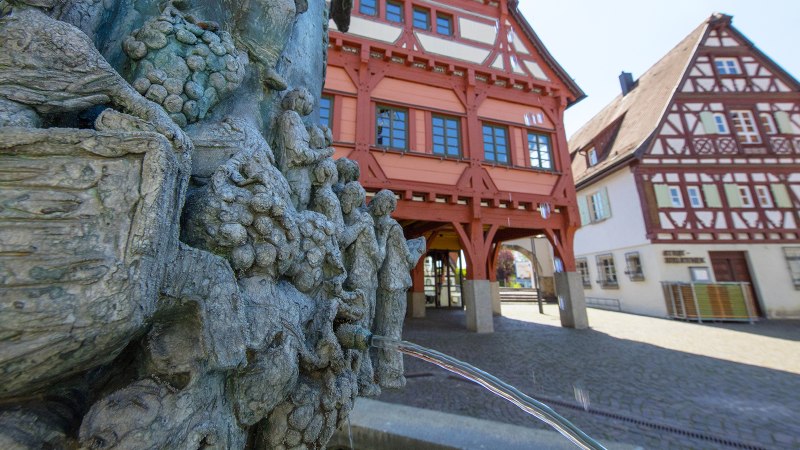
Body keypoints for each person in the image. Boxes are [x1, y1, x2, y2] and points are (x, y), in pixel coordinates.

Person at [369, 190, 425, 389]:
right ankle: (391, 375)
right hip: (396, 283)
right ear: (390, 206)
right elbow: (408, 260)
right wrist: (418, 248)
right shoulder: (393, 226)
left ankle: (376, 369)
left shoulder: (374, 224)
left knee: (380, 327)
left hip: (381, 282)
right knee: (393, 330)